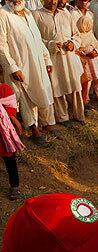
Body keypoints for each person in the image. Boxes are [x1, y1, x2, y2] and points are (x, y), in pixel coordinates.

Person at [0, 0, 56, 147]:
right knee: (25, 96)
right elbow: (1, 44)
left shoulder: (28, 13)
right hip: (19, 64)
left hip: (37, 63)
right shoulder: (3, 14)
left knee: (40, 92)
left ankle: (45, 126)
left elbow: (37, 40)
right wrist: (12, 67)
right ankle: (34, 131)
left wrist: (47, 59)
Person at [34, 0, 85, 124]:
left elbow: (77, 35)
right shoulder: (36, 15)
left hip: (69, 56)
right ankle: (62, 117)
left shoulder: (66, 13)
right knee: (57, 87)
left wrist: (73, 44)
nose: (52, 2)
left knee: (74, 85)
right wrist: (50, 44)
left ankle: (78, 115)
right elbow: (35, 38)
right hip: (52, 57)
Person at [0, 83, 25, 200]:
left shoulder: (4, 88)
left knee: (10, 159)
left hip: (4, 131)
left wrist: (13, 118)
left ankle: (14, 186)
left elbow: (10, 105)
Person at [76, 15, 98, 105]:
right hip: (84, 61)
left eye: (88, 24)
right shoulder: (76, 35)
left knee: (97, 78)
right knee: (87, 80)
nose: (86, 26)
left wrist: (95, 52)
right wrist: (84, 54)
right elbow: (76, 49)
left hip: (94, 60)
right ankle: (85, 99)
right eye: (84, 24)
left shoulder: (90, 35)